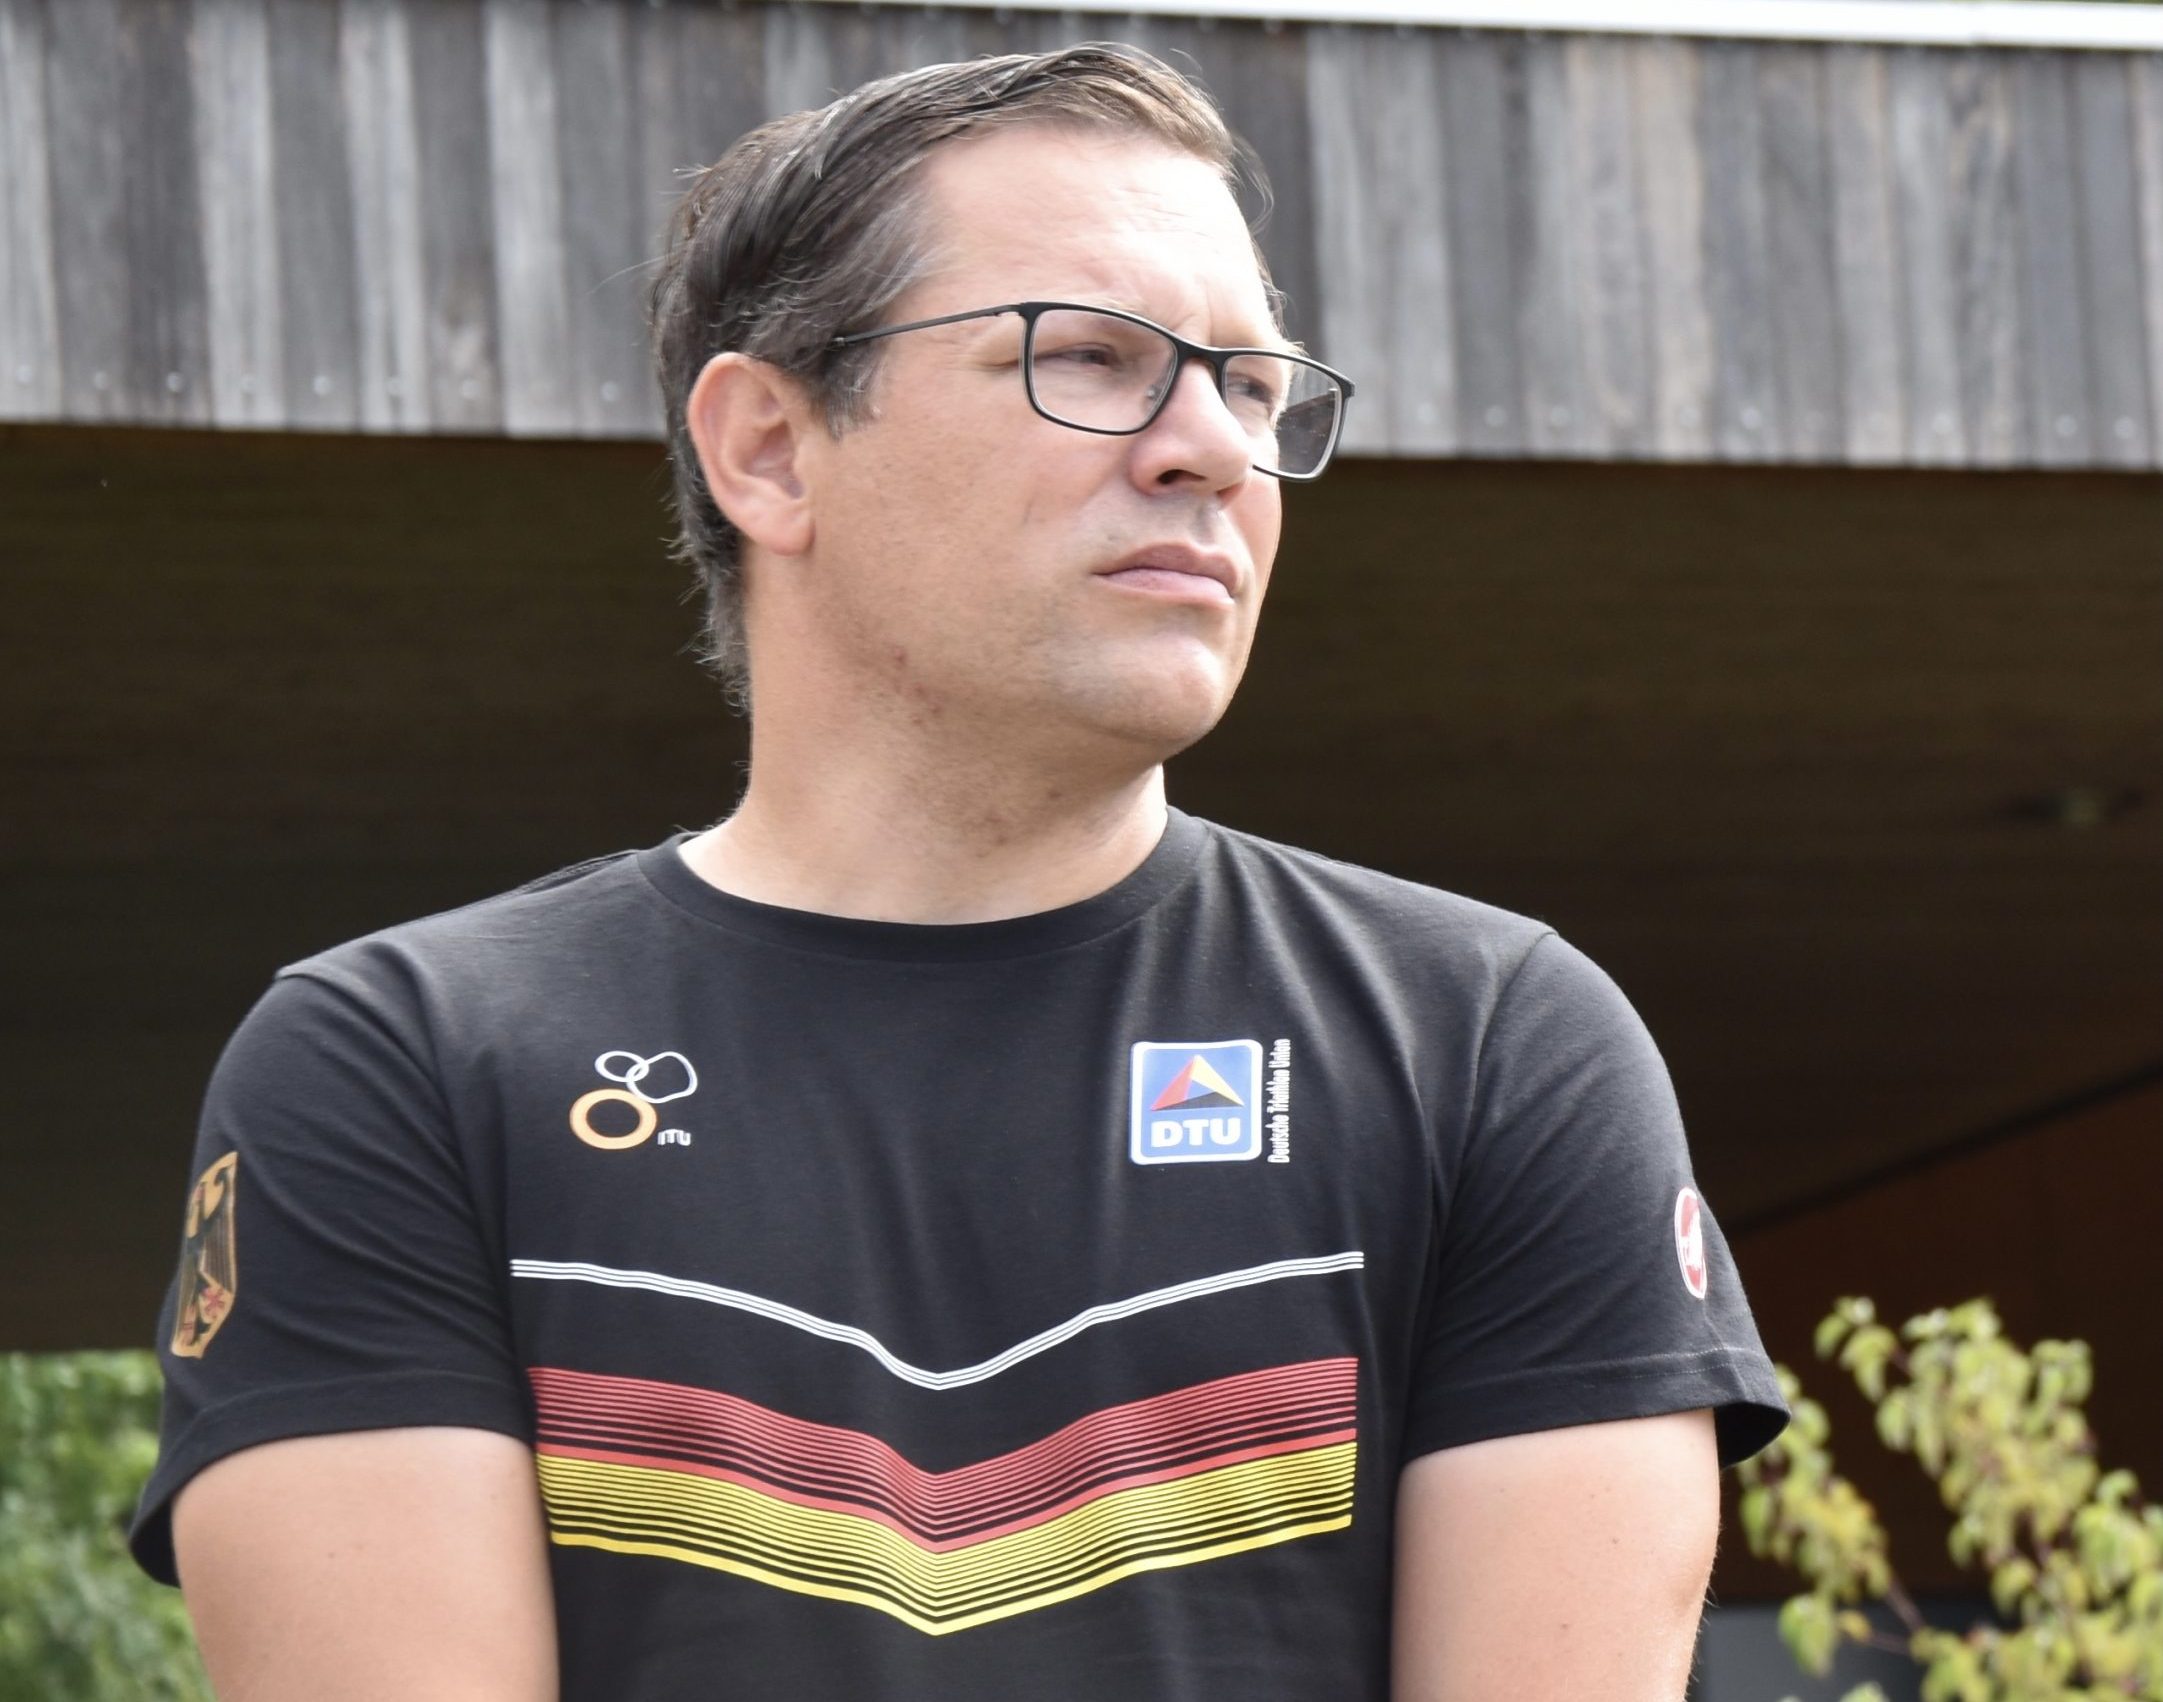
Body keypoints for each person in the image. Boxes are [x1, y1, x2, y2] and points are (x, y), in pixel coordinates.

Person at [132, 43, 1786, 1701]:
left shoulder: (1492, 1045)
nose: (1212, 449)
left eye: (1250, 385)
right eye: (1092, 358)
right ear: (770, 446)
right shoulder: (401, 1065)